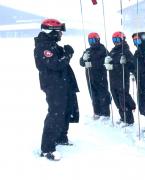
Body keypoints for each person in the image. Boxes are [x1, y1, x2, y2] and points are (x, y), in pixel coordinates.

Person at [34, 18, 79, 161]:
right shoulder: (43, 47)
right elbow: (56, 65)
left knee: (66, 110)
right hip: (54, 86)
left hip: (62, 84)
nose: (61, 35)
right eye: (59, 32)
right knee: (55, 114)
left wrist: (65, 53)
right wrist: (68, 55)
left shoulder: (53, 45)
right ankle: (47, 148)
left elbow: (61, 64)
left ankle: (60, 137)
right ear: (52, 32)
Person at [104, 31, 136, 126]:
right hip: (113, 79)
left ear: (123, 40)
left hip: (122, 79)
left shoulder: (126, 51)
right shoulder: (113, 50)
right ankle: (123, 118)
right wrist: (107, 64)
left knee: (123, 99)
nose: (116, 42)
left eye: (118, 39)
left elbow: (132, 66)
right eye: (114, 40)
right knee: (116, 99)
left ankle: (129, 120)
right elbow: (109, 62)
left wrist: (125, 63)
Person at [80, 32, 111, 120]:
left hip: (100, 76)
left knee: (103, 94)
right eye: (90, 40)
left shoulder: (103, 50)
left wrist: (93, 64)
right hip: (90, 76)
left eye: (93, 40)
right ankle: (97, 112)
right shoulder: (87, 51)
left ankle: (105, 114)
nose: (92, 42)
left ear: (98, 40)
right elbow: (81, 63)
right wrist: (83, 59)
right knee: (93, 95)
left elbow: (107, 61)